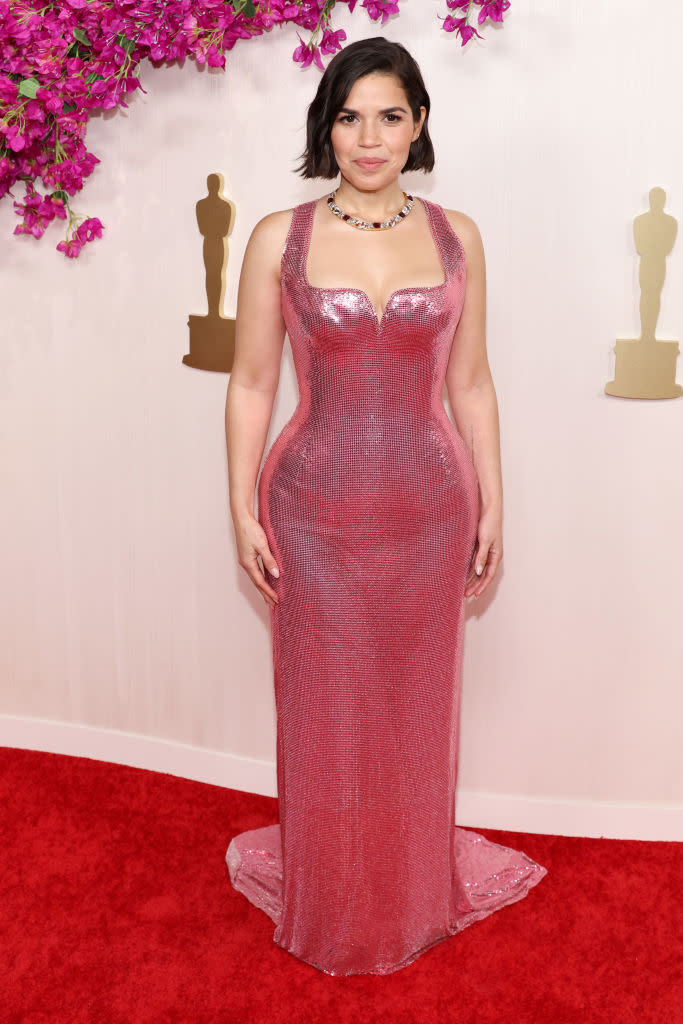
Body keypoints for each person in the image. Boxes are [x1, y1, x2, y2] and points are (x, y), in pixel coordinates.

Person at [224, 36, 547, 976]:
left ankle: (407, 891)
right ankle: (333, 899)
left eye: (391, 116)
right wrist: (241, 509)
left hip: (428, 510)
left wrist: (494, 501)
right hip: (314, 512)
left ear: (419, 125)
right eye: (350, 116)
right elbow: (251, 384)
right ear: (326, 125)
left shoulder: (456, 237)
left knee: (411, 711)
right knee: (324, 713)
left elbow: (473, 385)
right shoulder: (276, 238)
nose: (370, 138)